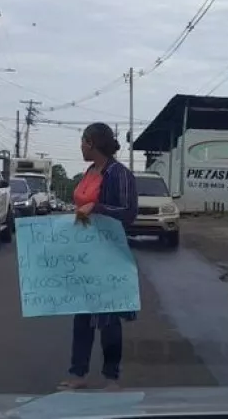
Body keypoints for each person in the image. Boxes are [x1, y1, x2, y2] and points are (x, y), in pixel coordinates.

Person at [58, 122, 138, 391]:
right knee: (82, 315)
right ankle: (78, 373)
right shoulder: (91, 171)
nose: (80, 146)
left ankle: (111, 377)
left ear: (92, 143)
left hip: (109, 254)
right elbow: (82, 208)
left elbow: (128, 213)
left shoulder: (119, 174)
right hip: (85, 253)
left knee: (108, 319)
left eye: (82, 141)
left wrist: (98, 207)